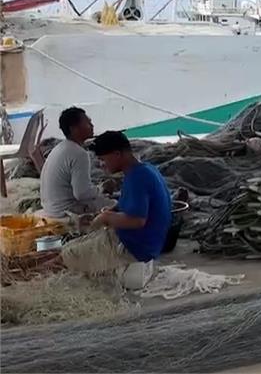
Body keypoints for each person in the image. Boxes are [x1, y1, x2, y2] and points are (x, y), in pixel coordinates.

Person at [62, 130, 172, 276]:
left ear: (117, 154)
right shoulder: (143, 170)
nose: (101, 165)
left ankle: (24, 274)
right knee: (66, 248)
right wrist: (112, 210)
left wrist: (105, 218)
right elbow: (132, 206)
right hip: (138, 241)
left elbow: (137, 221)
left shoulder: (138, 178)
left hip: (134, 248)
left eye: (103, 159)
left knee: (62, 260)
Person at [40, 107, 111, 219]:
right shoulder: (79, 153)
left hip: (50, 208)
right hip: (64, 212)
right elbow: (81, 194)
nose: (92, 126)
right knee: (113, 205)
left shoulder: (60, 147)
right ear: (74, 129)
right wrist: (101, 189)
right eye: (88, 123)